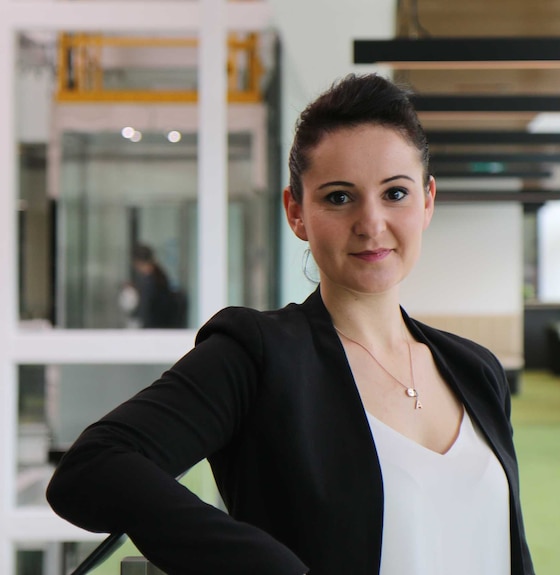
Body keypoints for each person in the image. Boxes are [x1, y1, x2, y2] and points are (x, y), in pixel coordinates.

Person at [46, 74, 534, 575]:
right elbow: (92, 469)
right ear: (296, 212)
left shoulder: (476, 370)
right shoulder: (259, 356)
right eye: (339, 198)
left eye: (395, 193)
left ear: (427, 200)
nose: (371, 223)